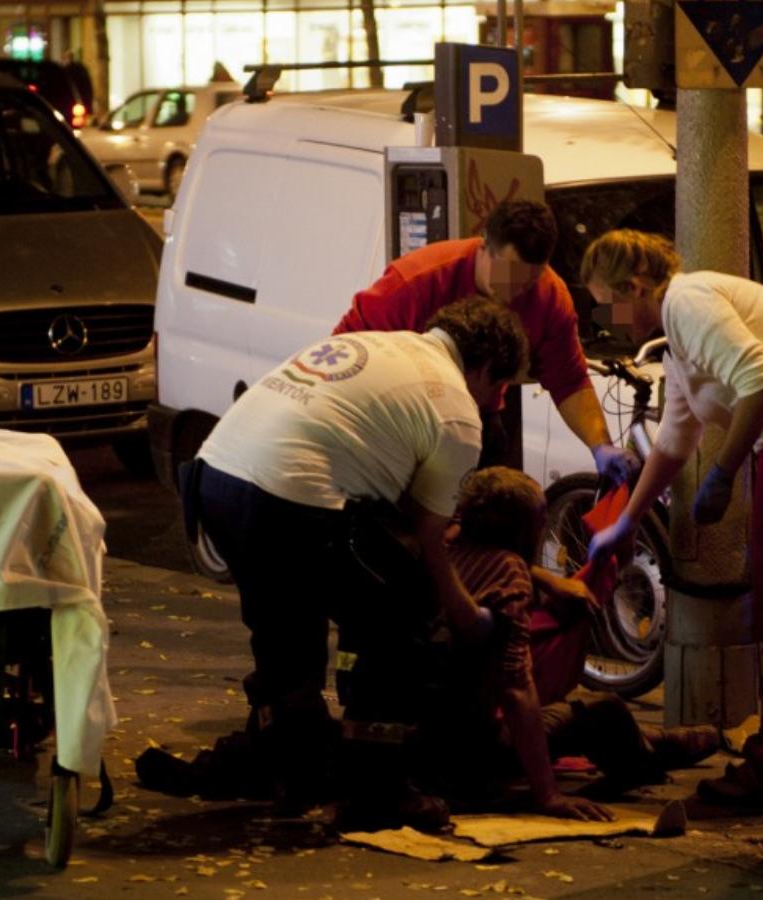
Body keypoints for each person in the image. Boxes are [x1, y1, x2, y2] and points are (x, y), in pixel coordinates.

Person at [190, 298, 528, 812]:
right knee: (405, 603)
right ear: (483, 369)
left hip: (213, 479)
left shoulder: (376, 343)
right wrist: (461, 612)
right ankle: (376, 788)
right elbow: (429, 537)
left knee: (287, 618)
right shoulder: (457, 412)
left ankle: (285, 757)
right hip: (286, 497)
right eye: (497, 390)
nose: (493, 404)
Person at [578, 230, 763, 808]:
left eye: (606, 303)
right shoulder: (676, 335)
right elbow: (675, 440)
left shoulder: (688, 301)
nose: (604, 320)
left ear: (635, 286)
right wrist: (625, 522)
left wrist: (723, 473)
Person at [418, 468, 719, 816]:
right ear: (527, 528)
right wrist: (548, 796)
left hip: (422, 748)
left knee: (579, 714)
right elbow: (517, 691)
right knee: (605, 709)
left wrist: (547, 580)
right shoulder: (509, 574)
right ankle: (649, 756)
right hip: (474, 756)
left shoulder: (443, 549)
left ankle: (656, 740)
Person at [332, 199, 637, 486]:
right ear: (483, 246)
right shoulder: (417, 281)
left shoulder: (549, 297)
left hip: (479, 419)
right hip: (402, 420)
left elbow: (569, 381)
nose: (514, 290)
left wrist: (600, 446)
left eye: (527, 281)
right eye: (507, 273)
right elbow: (347, 352)